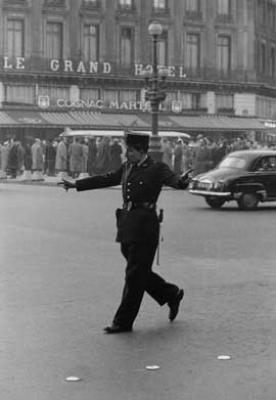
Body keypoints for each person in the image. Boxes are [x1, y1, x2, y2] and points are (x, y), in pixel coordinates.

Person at [59, 132, 192, 334]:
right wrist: (76, 184)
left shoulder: (157, 168)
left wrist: (182, 182)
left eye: (129, 150)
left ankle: (123, 322)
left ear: (141, 151)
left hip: (146, 227)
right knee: (138, 272)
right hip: (128, 224)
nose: (126, 154)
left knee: (134, 275)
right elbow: (108, 178)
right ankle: (171, 293)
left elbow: (173, 179)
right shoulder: (128, 167)